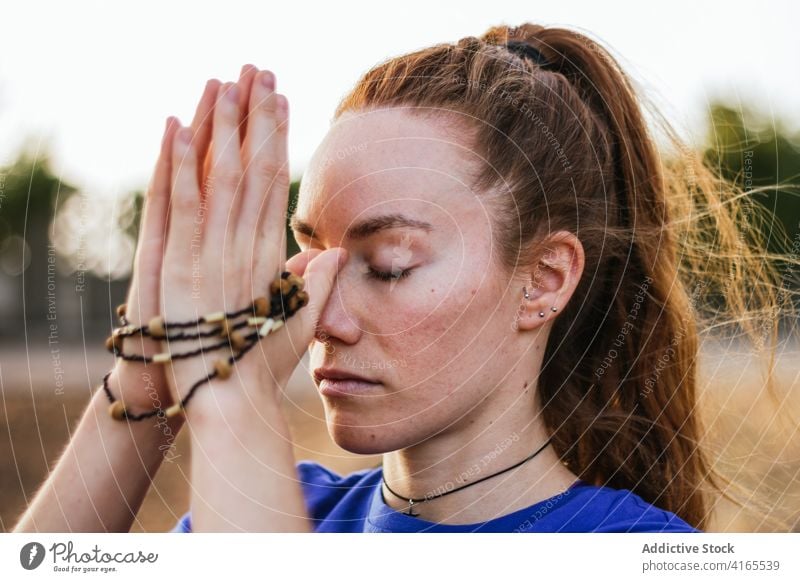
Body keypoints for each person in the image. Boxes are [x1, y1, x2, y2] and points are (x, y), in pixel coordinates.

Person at [14, 23, 790, 533]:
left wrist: (232, 398)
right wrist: (145, 376)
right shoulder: (293, 511)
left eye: (387, 265)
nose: (320, 315)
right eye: (311, 254)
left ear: (545, 279)